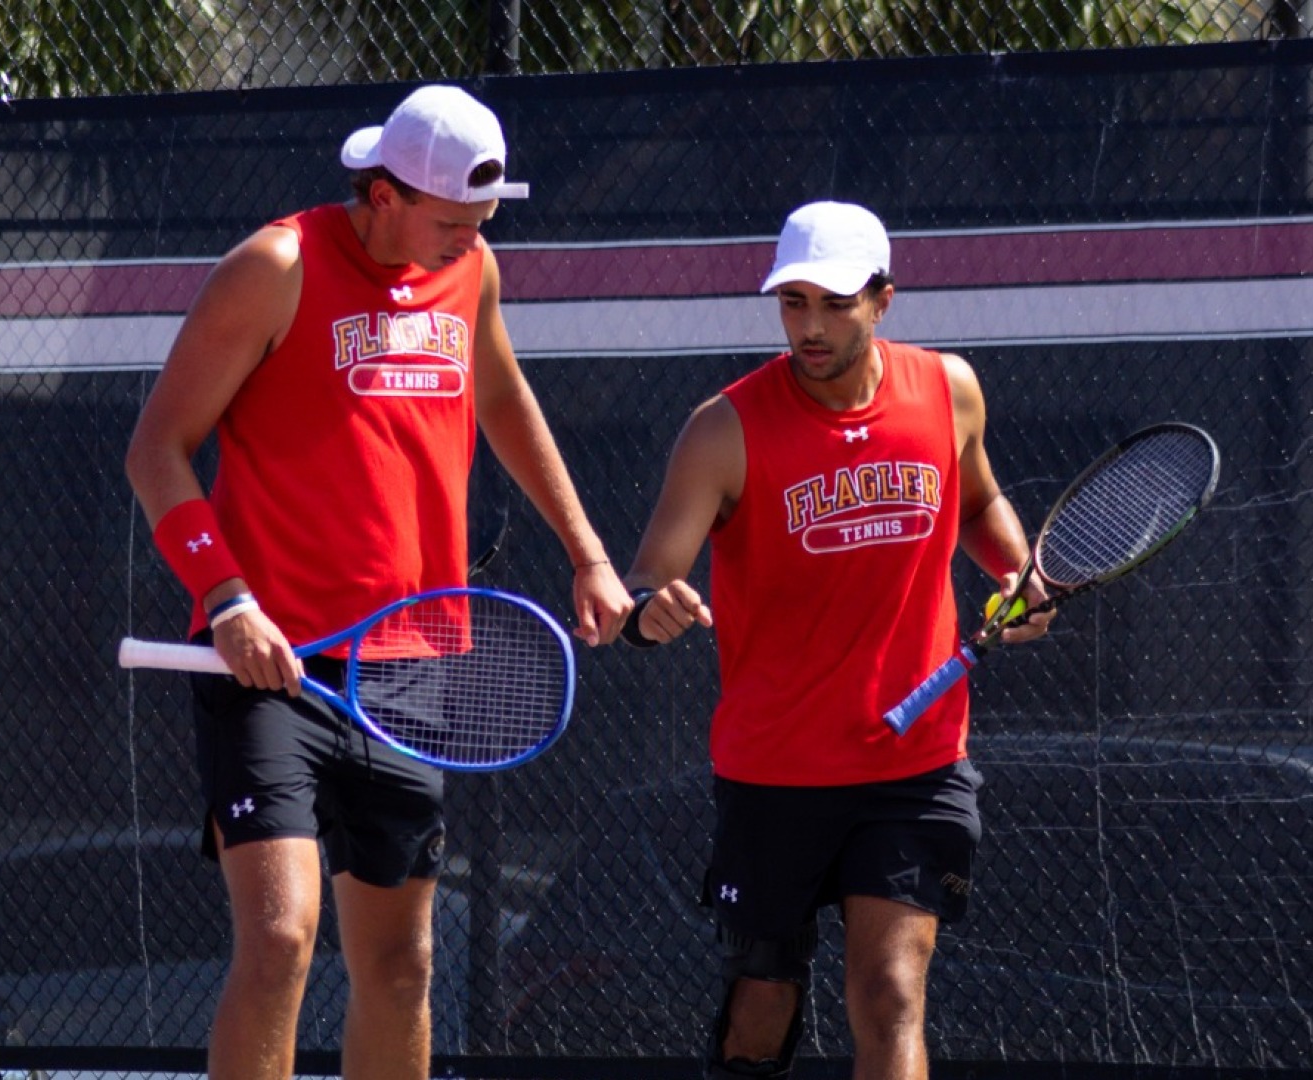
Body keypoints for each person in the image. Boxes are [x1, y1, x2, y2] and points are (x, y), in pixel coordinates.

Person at [125, 84, 633, 1080]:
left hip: (409, 670)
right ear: (385, 191)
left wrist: (588, 552)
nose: (467, 240)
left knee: (402, 965)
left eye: (480, 223)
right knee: (279, 940)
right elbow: (156, 450)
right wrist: (227, 598)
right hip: (268, 666)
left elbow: (502, 396)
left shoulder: (470, 269)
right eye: (451, 221)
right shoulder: (278, 266)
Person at [619, 201, 1053, 1080]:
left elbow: (976, 502)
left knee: (891, 990)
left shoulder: (948, 390)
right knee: (762, 1000)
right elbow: (646, 575)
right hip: (775, 768)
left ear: (884, 301)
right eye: (794, 304)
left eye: (835, 304)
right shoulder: (724, 429)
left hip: (915, 764)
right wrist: (649, 608)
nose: (810, 327)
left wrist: (1018, 572)